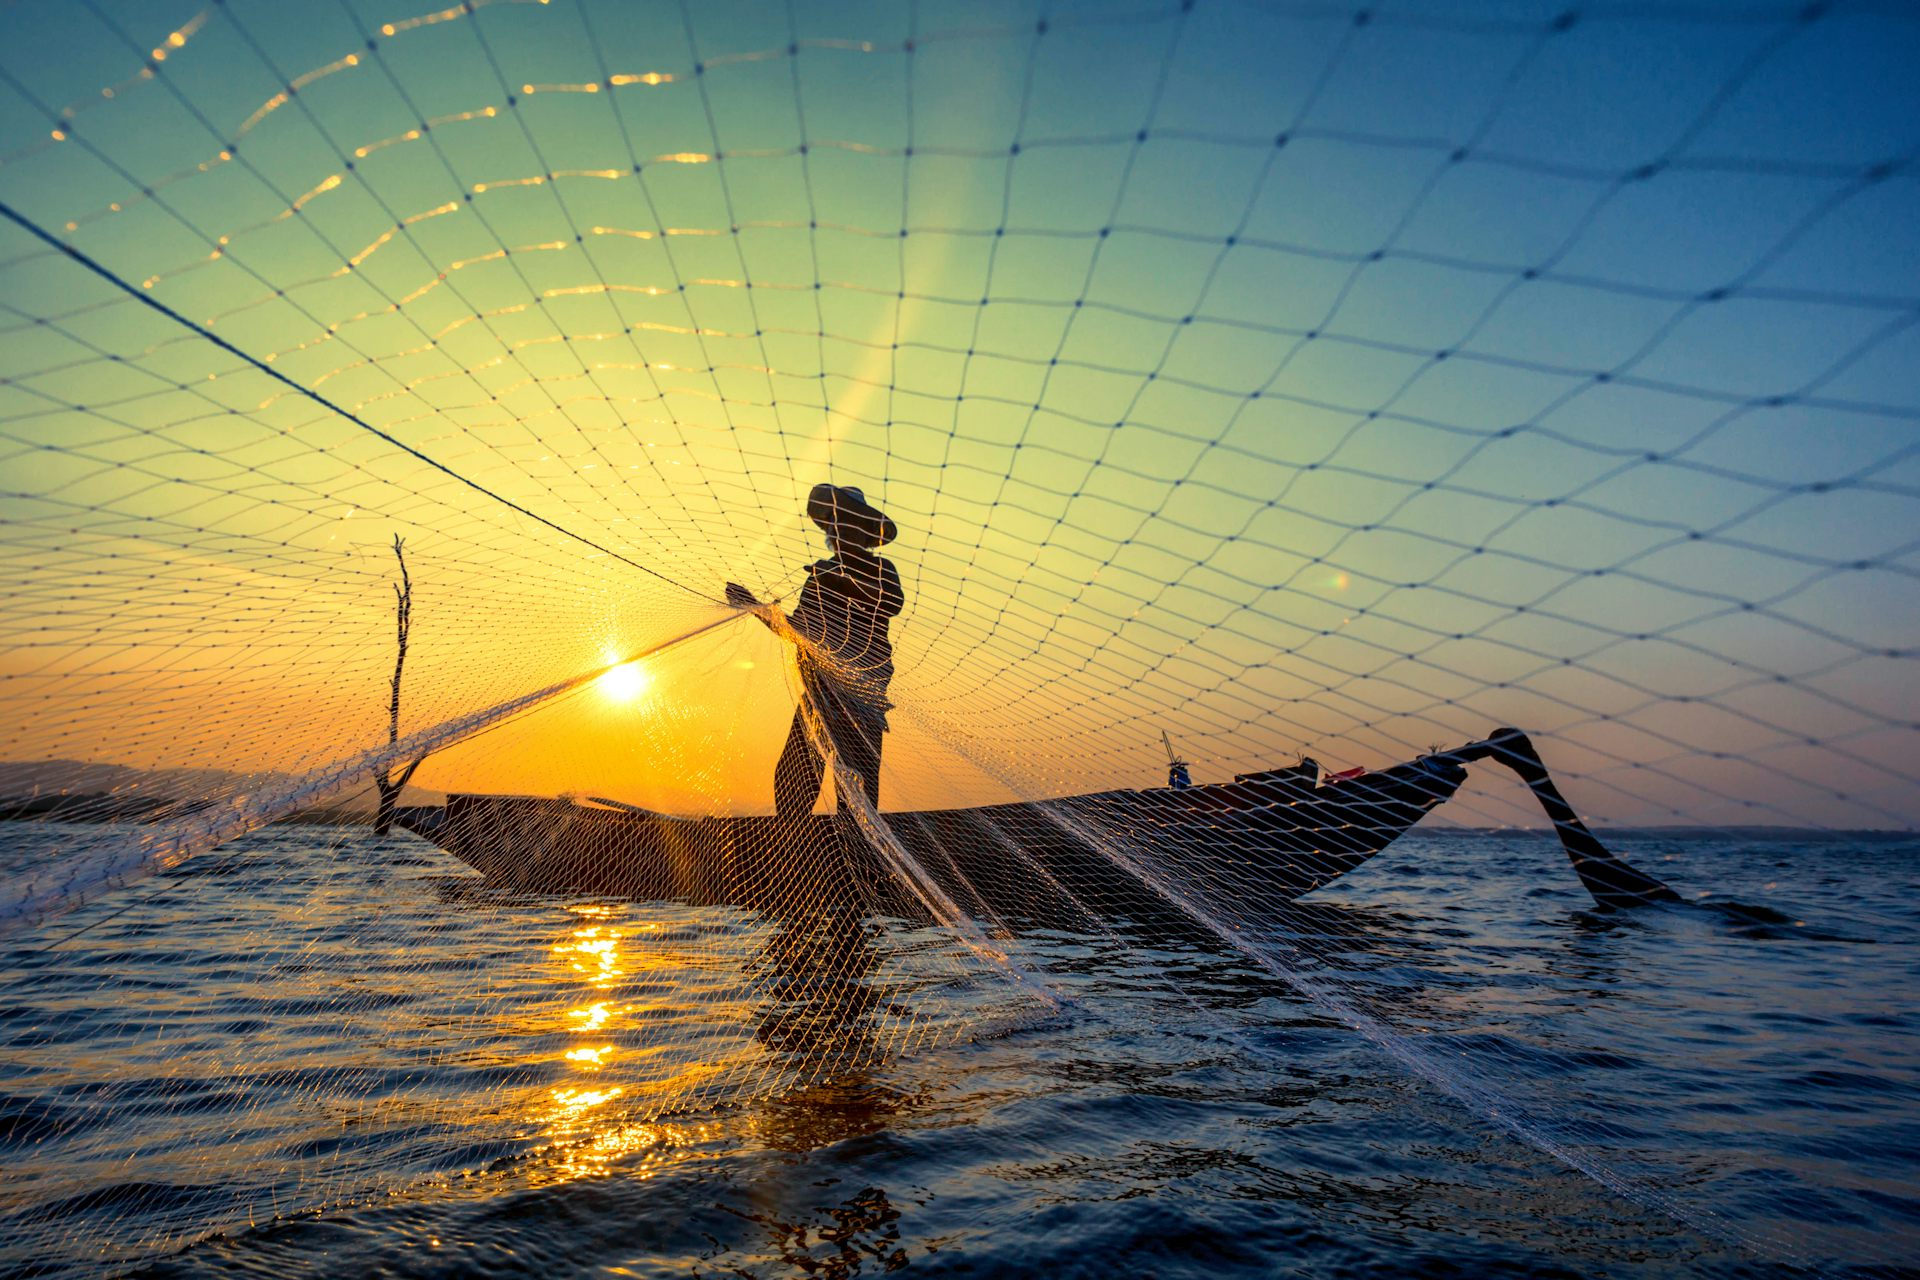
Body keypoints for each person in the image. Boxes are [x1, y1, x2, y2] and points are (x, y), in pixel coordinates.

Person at [727, 484, 904, 816]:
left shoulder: (882, 570)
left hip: (860, 703)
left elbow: (891, 602)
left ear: (864, 533)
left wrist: (835, 579)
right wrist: (754, 606)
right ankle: (790, 850)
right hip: (818, 693)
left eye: (846, 524)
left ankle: (862, 863)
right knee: (793, 779)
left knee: (856, 791)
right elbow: (799, 632)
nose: (837, 530)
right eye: (834, 524)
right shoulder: (819, 577)